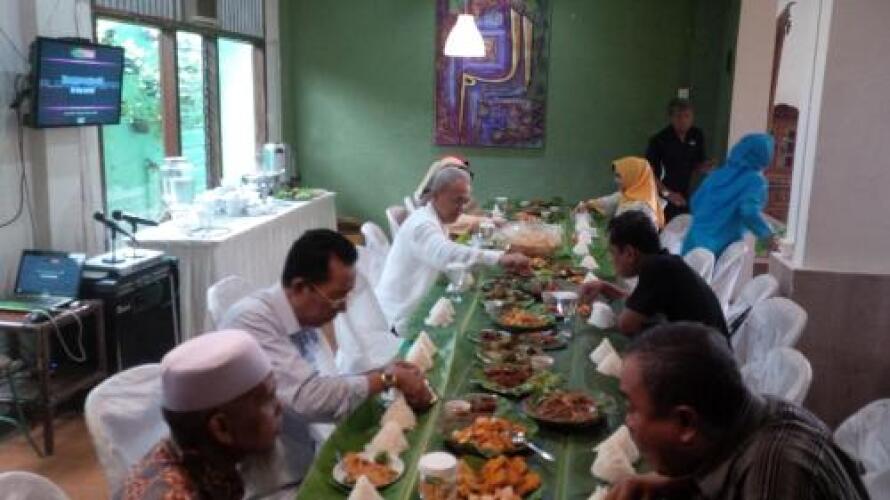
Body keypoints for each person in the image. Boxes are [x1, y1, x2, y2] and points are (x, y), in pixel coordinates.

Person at [219, 229, 433, 486]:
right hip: (272, 482)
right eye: (337, 297)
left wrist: (384, 372)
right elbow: (308, 398)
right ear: (300, 287)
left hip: (307, 452)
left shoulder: (302, 315)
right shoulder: (251, 322)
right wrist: (386, 379)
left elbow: (324, 381)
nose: (343, 307)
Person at [606, 322, 869, 500]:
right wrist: (677, 484)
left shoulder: (775, 473)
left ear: (686, 423)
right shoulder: (750, 418)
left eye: (633, 409)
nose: (628, 422)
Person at [123, 330, 282, 500]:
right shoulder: (174, 494)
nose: (279, 406)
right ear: (221, 427)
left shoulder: (194, 457)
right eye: (269, 398)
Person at [377, 166, 529, 334]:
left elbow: (450, 263)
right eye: (457, 201)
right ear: (435, 195)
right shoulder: (421, 225)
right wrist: (499, 258)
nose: (461, 208)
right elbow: (446, 255)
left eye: (465, 201)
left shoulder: (435, 219)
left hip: (412, 307)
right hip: (399, 317)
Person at [580, 211, 728, 338]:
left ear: (630, 254)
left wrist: (593, 313)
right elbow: (640, 306)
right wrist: (605, 288)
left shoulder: (657, 269)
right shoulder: (663, 262)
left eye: (613, 253)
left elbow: (626, 325)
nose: (611, 259)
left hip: (702, 359)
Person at [682, 133, 778, 257]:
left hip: (692, 242)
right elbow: (749, 212)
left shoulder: (717, 174)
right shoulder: (755, 181)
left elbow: (695, 202)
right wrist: (767, 235)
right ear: (765, 155)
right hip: (716, 248)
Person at [646, 98, 710, 222]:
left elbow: (697, 164)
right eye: (679, 116)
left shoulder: (696, 135)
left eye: (687, 116)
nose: (683, 120)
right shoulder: (658, 141)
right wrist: (668, 194)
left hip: (688, 194)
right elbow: (649, 174)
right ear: (671, 118)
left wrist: (705, 167)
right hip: (664, 196)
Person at [581, 156, 665, 229]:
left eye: (619, 176)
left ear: (633, 176)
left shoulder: (644, 207)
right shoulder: (628, 194)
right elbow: (607, 202)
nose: (615, 180)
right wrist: (588, 204)